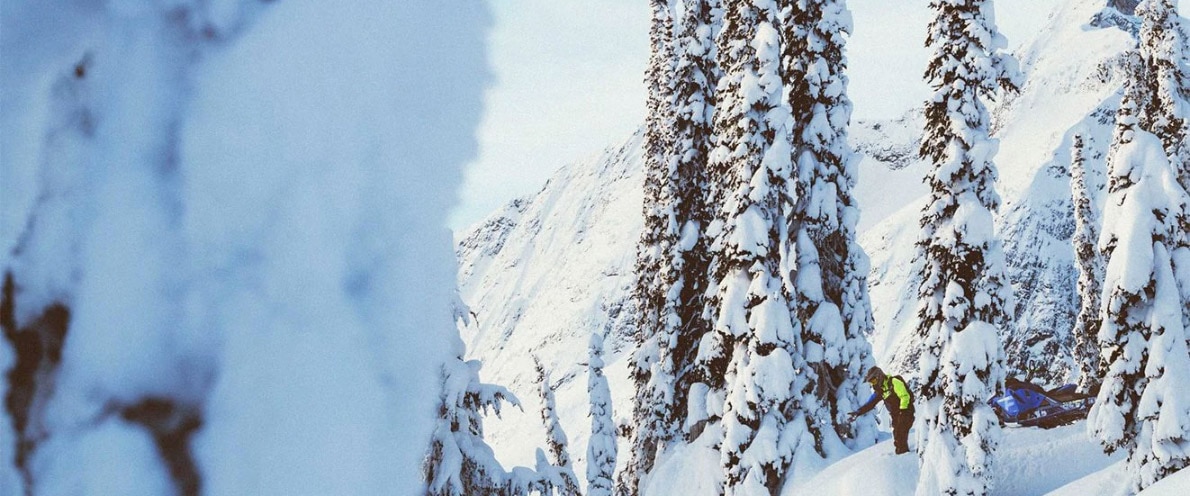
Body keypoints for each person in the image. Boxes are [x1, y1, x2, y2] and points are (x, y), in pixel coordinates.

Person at [848, 367, 915, 454]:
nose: (873, 384)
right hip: (895, 414)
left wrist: (903, 410)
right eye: (871, 382)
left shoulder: (894, 382)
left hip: (906, 411)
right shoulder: (881, 390)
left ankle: (904, 456)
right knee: (897, 437)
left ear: (879, 377)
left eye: (873, 381)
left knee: (900, 435)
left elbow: (905, 395)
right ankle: (902, 455)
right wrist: (858, 412)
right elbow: (870, 403)